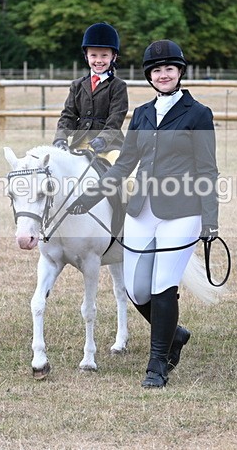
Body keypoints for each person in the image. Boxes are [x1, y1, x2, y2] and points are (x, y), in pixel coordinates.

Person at [67, 39, 219, 388]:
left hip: (182, 212)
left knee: (163, 285)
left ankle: (157, 364)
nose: (163, 75)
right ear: (149, 76)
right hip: (141, 210)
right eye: (157, 70)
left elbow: (208, 170)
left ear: (180, 72)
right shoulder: (142, 114)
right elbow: (123, 166)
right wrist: (90, 197)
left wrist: (210, 220)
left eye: (169, 69)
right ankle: (174, 334)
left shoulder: (198, 114)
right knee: (137, 290)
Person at [53, 22, 129, 168]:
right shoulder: (77, 85)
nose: (98, 60)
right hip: (80, 143)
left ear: (113, 57)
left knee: (124, 171)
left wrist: (103, 139)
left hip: (109, 146)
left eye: (104, 55)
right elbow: (68, 115)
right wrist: (60, 138)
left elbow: (115, 119)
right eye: (93, 55)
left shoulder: (118, 86)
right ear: (86, 56)